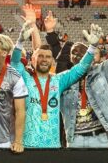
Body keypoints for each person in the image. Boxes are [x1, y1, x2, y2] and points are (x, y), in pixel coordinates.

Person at [13, 9, 100, 149]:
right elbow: (15, 63)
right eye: (40, 56)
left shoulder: (58, 80)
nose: (44, 60)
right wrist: (20, 42)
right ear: (33, 59)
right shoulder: (26, 78)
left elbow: (80, 69)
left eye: (48, 57)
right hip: (28, 145)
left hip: (53, 146)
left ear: (52, 61)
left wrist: (92, 48)